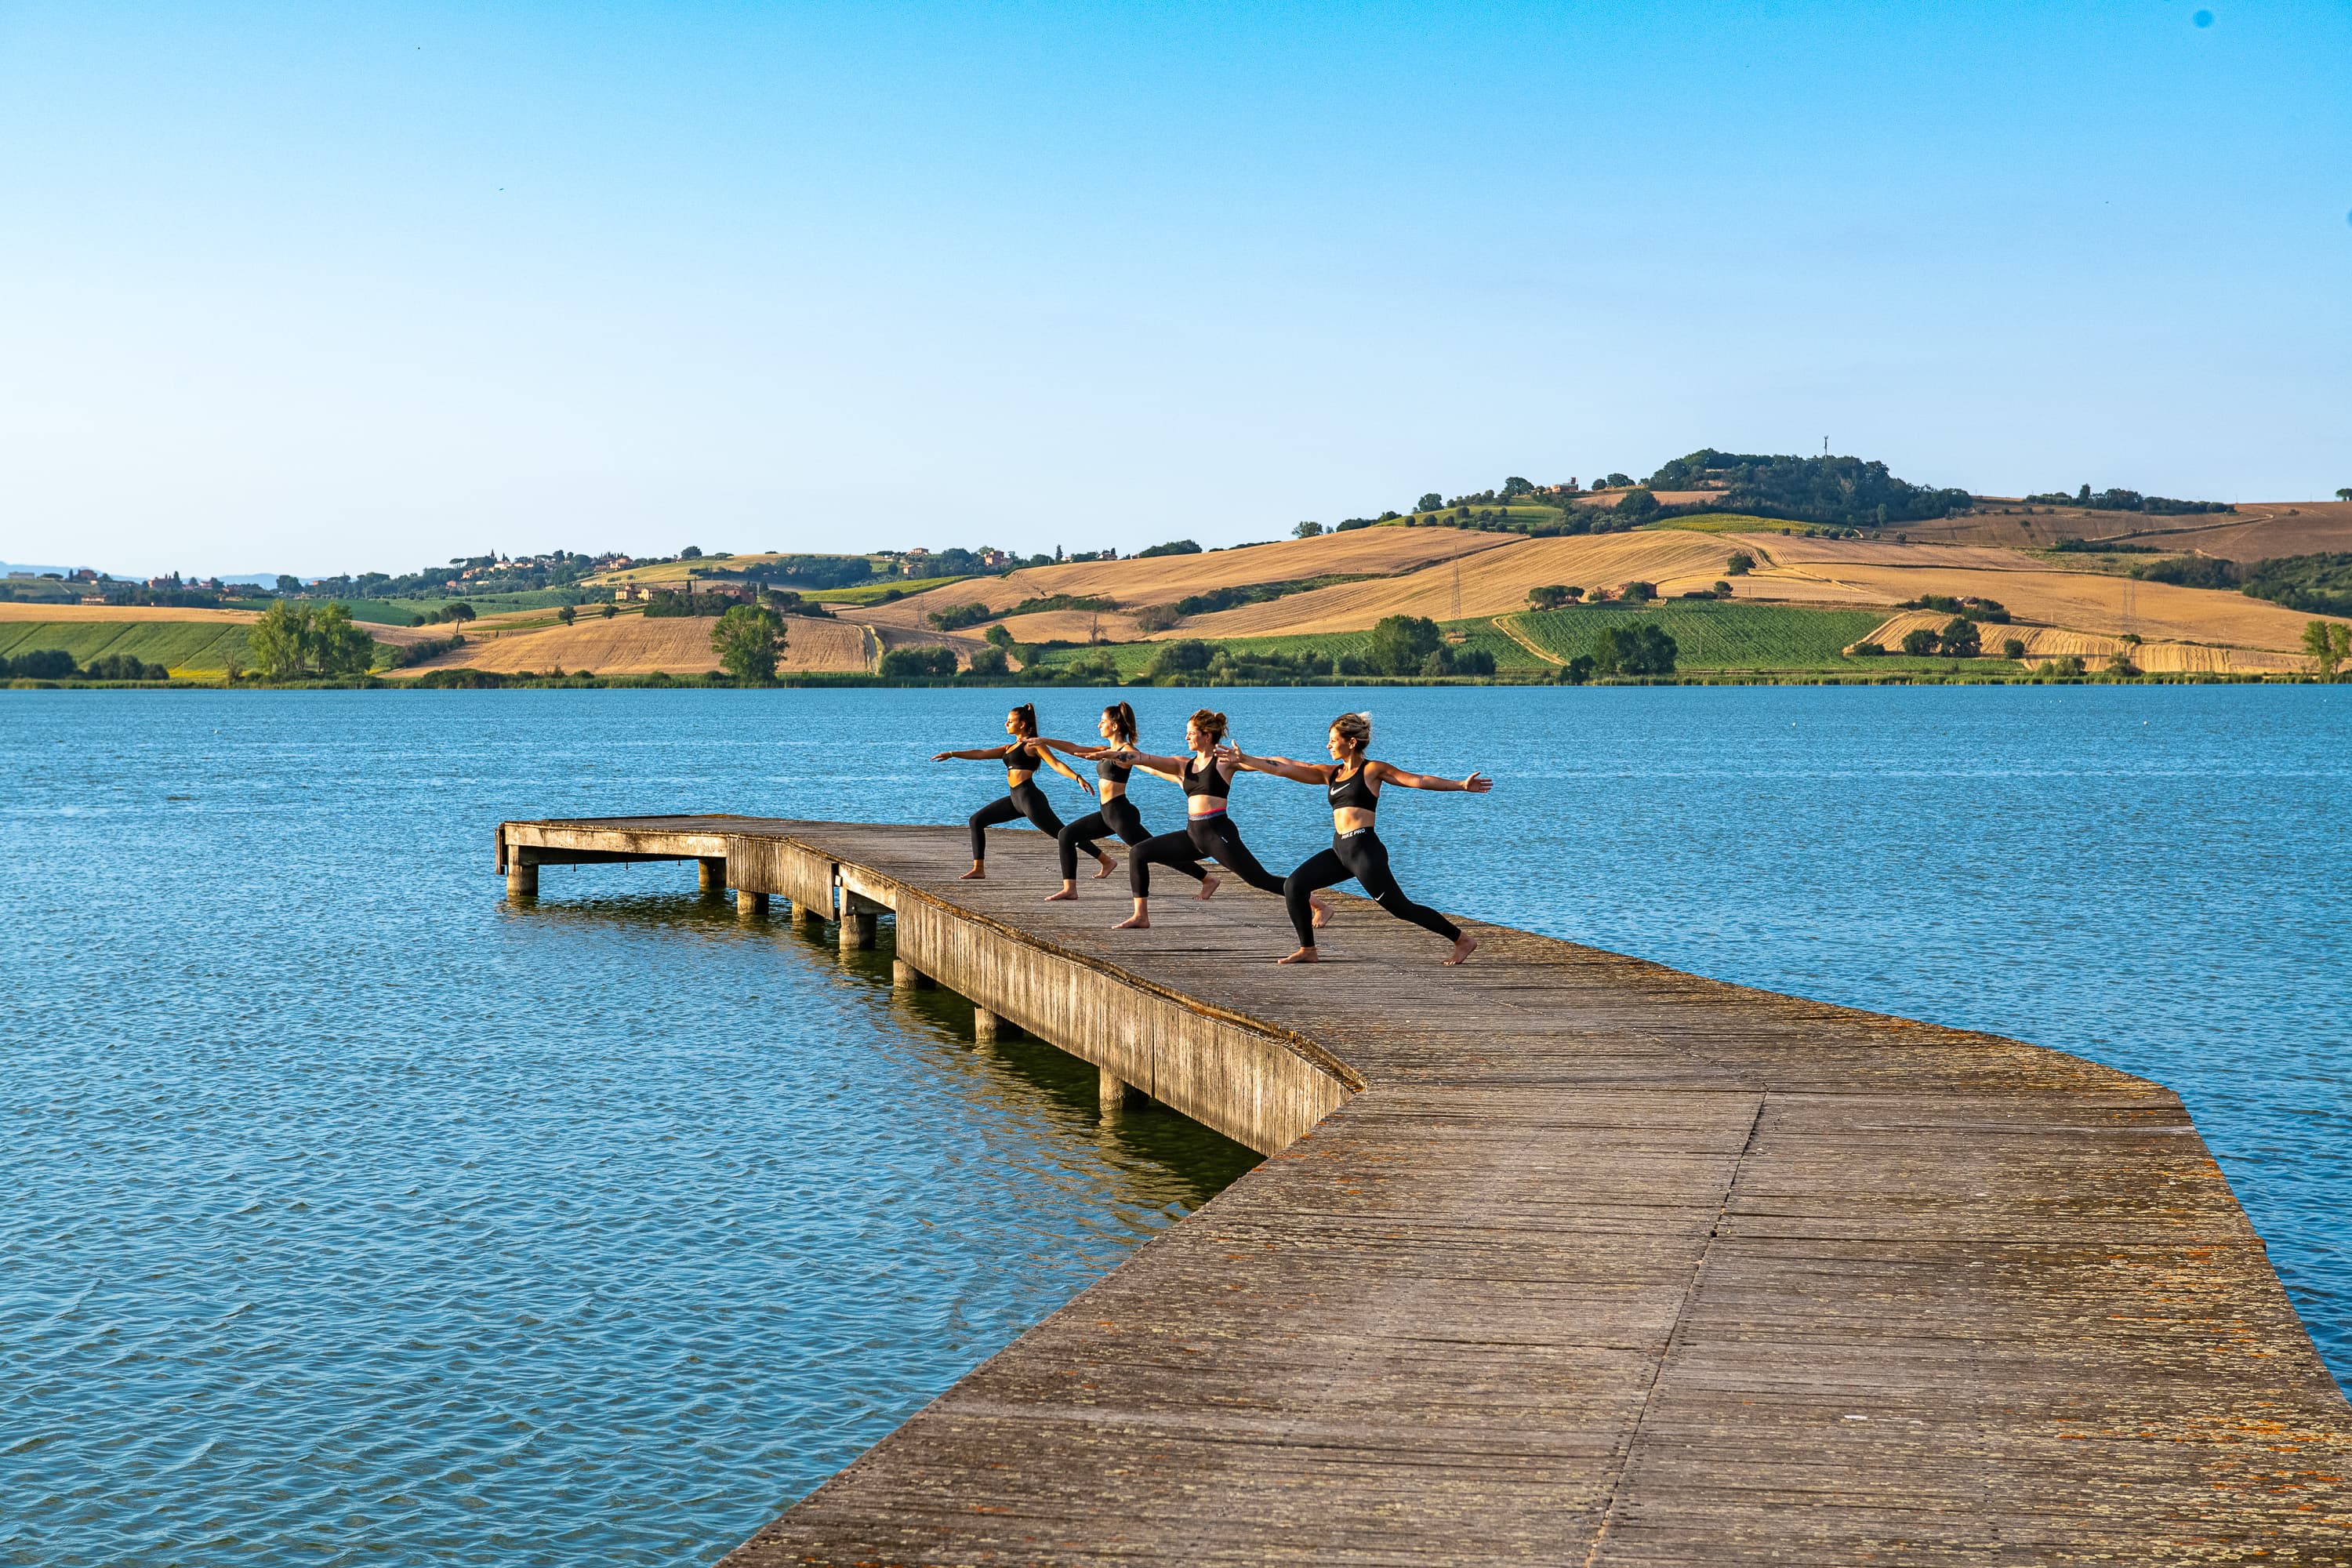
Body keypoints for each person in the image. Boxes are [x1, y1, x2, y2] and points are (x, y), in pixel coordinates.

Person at [1220, 711, 1489, 965]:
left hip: (1364, 850)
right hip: (1340, 851)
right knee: (1294, 886)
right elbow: (1284, 767)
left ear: (1351, 742)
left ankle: (1461, 939)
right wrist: (1246, 759)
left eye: (1333, 741)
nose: (1328, 746)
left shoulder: (1373, 770)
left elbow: (1417, 780)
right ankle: (1308, 950)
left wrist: (1461, 785)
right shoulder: (1331, 773)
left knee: (1400, 907)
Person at [1099, 708, 1324, 932]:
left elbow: (1275, 762)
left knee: (1258, 879)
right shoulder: (1183, 765)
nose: (1186, 737)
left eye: (1191, 733)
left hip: (1218, 833)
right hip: (1193, 835)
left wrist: (1311, 768)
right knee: (1138, 853)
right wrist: (1109, 754)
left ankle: (1318, 904)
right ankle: (1141, 916)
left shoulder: (1224, 762)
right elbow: (1143, 758)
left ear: (1206, 736)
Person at [1036, 702, 1216, 903]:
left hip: (1121, 815)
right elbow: (1074, 749)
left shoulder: (1127, 751)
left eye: (1103, 721)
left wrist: (1180, 779)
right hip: (1106, 814)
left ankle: (1207, 879)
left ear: (1115, 726)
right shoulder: (1106, 750)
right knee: (1066, 835)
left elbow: (1151, 767)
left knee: (1157, 853)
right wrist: (1045, 740)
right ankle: (1070, 889)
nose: (1099, 725)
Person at [932, 704, 1112, 881]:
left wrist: (1077, 777)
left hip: (1030, 798)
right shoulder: (1009, 748)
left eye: (1010, 721)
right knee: (976, 820)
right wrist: (952, 753)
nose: (1006, 724)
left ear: (1023, 724)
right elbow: (980, 753)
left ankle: (1105, 860)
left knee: (1061, 833)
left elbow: (1056, 764)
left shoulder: (1034, 745)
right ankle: (978, 869)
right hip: (1015, 799)